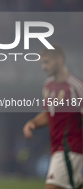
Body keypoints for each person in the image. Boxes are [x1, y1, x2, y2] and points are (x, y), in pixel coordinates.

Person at [23, 45, 83, 189]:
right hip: (57, 148)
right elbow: (48, 113)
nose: (43, 66)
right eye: (42, 63)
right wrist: (33, 123)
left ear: (59, 60)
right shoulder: (48, 86)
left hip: (69, 148)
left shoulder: (74, 87)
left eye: (47, 62)